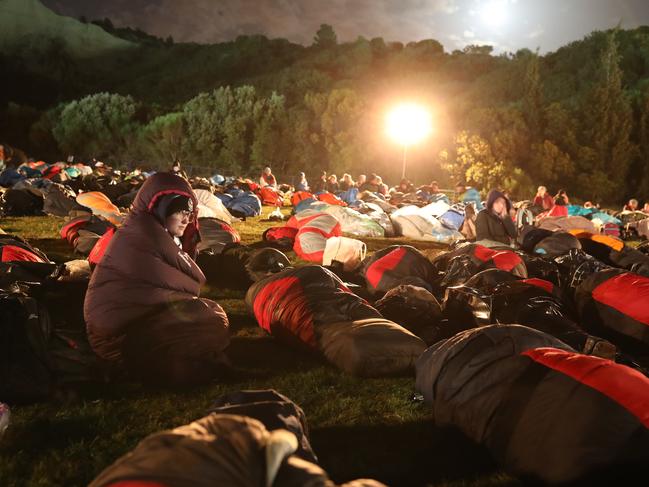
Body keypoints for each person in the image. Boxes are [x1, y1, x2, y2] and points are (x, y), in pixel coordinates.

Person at [84, 172, 230, 385]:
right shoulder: (145, 234)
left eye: (189, 213)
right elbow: (182, 285)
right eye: (180, 211)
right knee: (211, 318)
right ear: (162, 207)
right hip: (116, 339)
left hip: (122, 328)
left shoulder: (153, 233)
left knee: (208, 313)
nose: (187, 219)